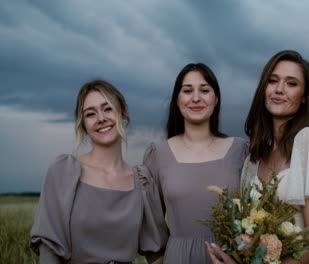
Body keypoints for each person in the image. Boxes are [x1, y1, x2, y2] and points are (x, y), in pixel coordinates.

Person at [208, 50, 309, 264]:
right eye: (273, 81)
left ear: (304, 97)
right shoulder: (252, 160)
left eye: (291, 83)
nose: (279, 89)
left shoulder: (308, 140)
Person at [30, 80, 167, 264]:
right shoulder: (64, 172)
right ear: (83, 125)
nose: (101, 118)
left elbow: (157, 255)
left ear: (123, 113)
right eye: (90, 114)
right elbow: (49, 253)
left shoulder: (142, 182)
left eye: (108, 108)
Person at [143, 63, 249, 263]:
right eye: (187, 90)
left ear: (216, 99)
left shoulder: (241, 151)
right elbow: (151, 222)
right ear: (177, 99)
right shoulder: (158, 154)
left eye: (205, 90)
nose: (196, 98)